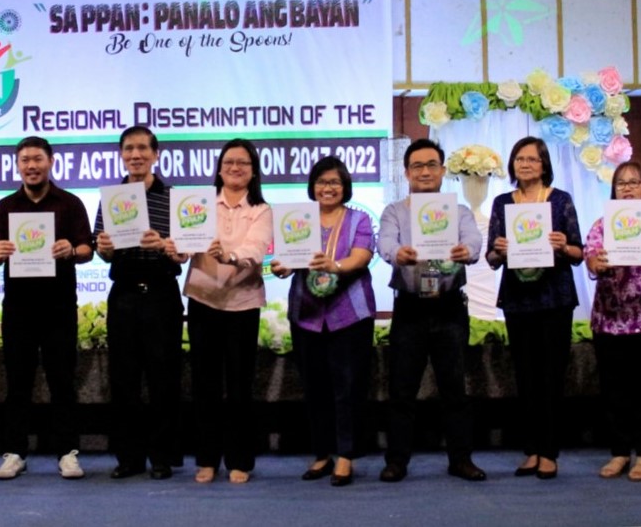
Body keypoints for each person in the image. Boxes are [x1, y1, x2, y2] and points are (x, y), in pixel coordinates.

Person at [374, 138, 486, 483]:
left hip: (450, 307)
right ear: (407, 173)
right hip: (410, 307)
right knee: (402, 390)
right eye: (417, 166)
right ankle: (397, 461)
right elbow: (385, 243)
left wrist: (463, 250)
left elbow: (474, 243)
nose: (425, 171)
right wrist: (398, 254)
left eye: (431, 165)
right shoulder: (395, 210)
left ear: (442, 171)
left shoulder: (460, 212)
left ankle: (461, 460)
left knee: (455, 389)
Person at [0, 136, 94, 481]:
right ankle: (15, 451)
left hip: (59, 306)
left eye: (37, 159)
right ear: (18, 165)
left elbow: (87, 249)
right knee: (18, 382)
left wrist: (70, 250)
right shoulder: (5, 206)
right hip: (18, 308)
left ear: (50, 162)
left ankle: (68, 452)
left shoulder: (71, 203)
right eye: (25, 160)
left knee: (63, 380)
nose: (31, 166)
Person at [271, 155, 376, 487]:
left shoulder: (358, 219)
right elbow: (286, 259)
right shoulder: (298, 219)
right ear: (312, 186)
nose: (327, 188)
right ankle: (321, 454)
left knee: (348, 388)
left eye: (334, 182)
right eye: (321, 182)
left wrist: (335, 266)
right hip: (307, 315)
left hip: (349, 313)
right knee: (315, 388)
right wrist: (282, 266)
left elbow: (362, 256)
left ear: (345, 186)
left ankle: (346, 456)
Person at [93, 125, 187, 480]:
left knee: (165, 377)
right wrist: (104, 248)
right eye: (129, 149)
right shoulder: (112, 197)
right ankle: (128, 457)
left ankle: (162, 456)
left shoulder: (175, 197)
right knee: (124, 379)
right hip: (125, 295)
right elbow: (102, 249)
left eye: (142, 148)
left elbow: (185, 249)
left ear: (155, 154)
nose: (136, 155)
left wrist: (165, 244)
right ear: (121, 155)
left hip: (162, 293)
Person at [487, 136, 583, 480]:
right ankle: (531, 449)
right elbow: (492, 259)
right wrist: (498, 249)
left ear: (544, 165)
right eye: (519, 159)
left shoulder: (560, 201)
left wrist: (563, 246)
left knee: (551, 377)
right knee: (525, 377)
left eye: (532, 159)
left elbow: (579, 253)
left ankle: (550, 451)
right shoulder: (502, 203)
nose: (524, 164)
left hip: (555, 298)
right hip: (518, 299)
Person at [182, 139, 272, 484]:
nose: (236, 168)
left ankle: (240, 459)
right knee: (203, 383)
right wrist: (179, 249)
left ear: (253, 171)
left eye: (243, 163)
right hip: (203, 300)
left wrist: (228, 256)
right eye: (229, 162)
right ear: (219, 168)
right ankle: (206, 458)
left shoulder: (261, 209)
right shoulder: (200, 204)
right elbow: (186, 243)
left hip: (242, 304)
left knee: (239, 384)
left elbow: (255, 249)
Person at [583, 161, 641, 482]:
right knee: (614, 389)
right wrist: (598, 263)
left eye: (634, 182)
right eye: (621, 183)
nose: (627, 188)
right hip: (610, 320)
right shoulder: (602, 225)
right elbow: (591, 259)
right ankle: (620, 452)